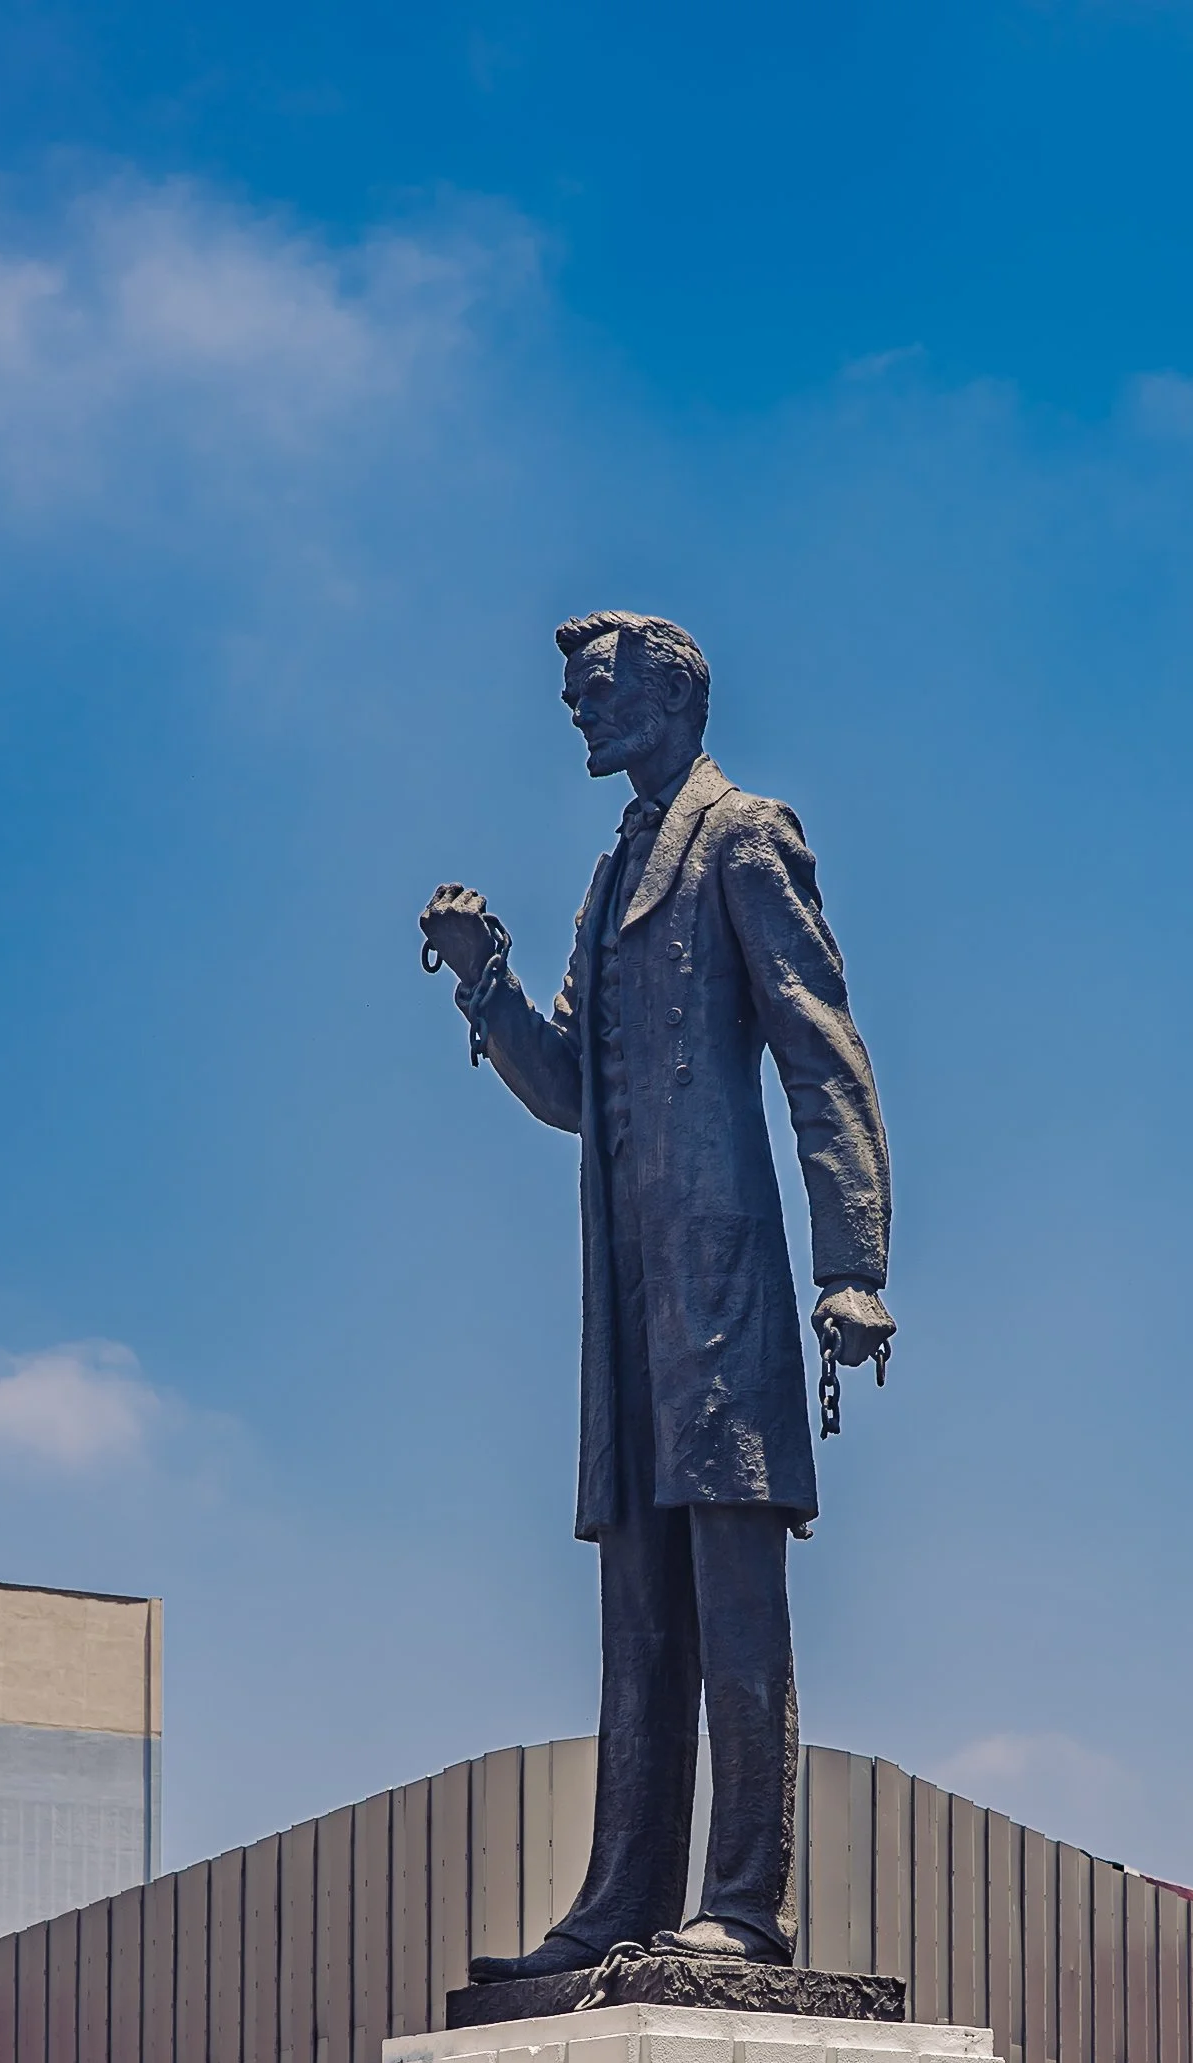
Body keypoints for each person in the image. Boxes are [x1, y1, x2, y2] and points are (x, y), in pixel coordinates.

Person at [420, 611, 892, 1974]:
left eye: (596, 693)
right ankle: (621, 1897)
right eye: (573, 698)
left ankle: (745, 1903)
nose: (578, 713)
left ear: (669, 696)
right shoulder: (610, 867)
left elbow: (823, 1050)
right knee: (638, 1604)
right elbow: (574, 1087)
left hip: (724, 1285)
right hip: (629, 1305)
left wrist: (853, 1264)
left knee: (736, 1599)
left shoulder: (742, 835)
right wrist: (491, 988)